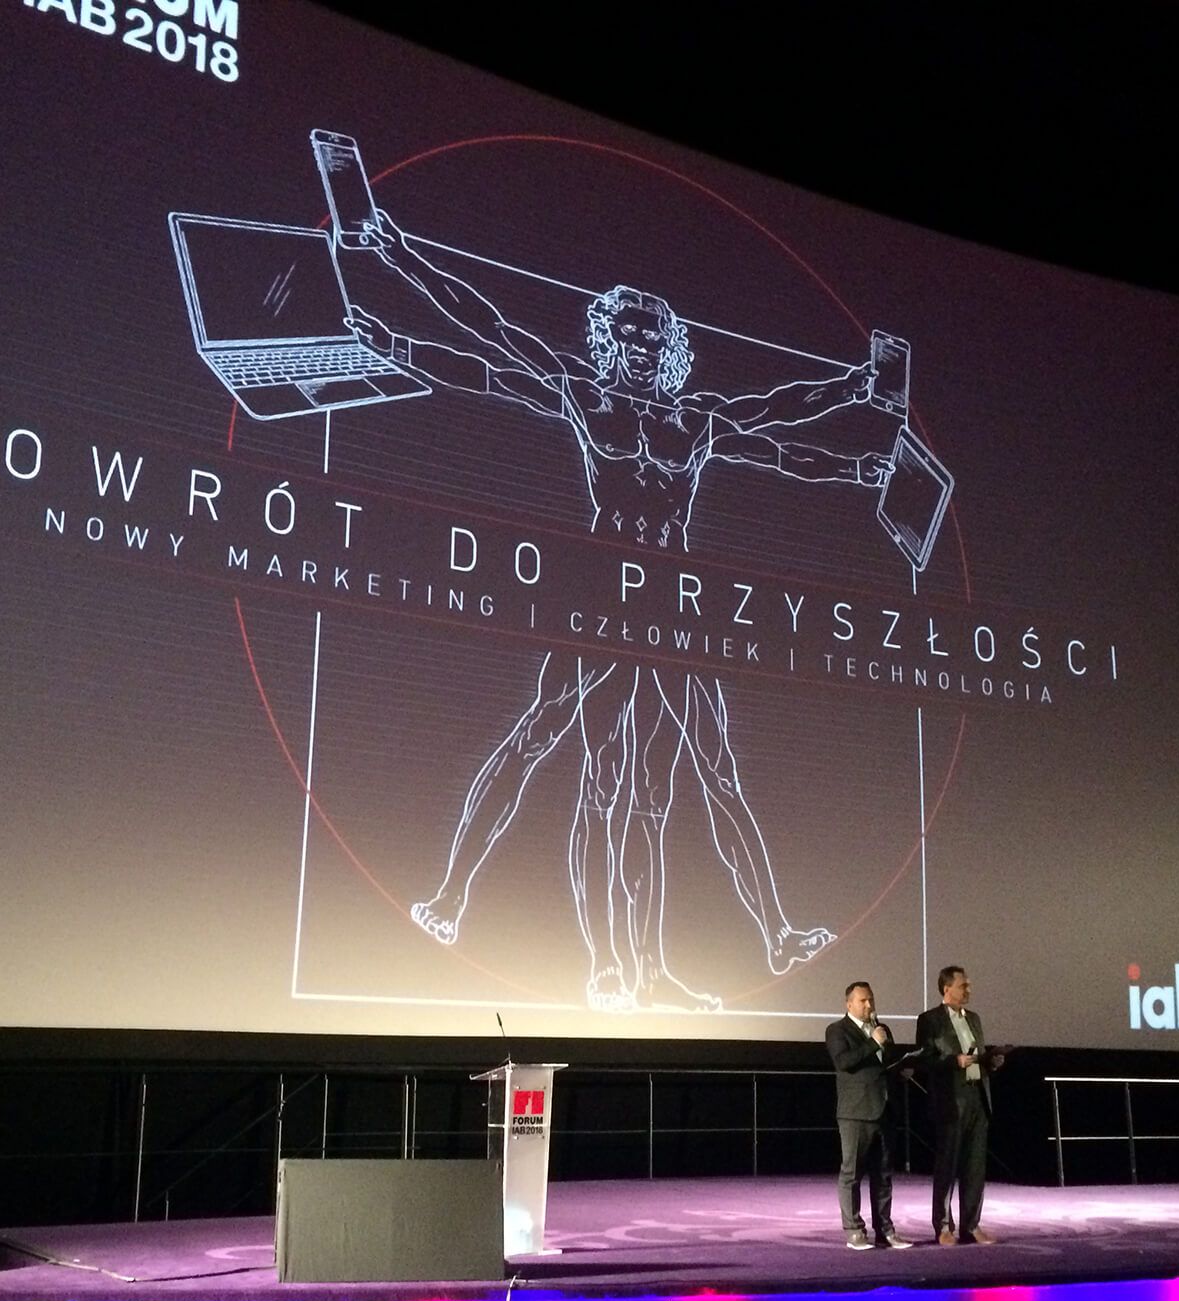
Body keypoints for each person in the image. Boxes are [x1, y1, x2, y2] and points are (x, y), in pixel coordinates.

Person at [350, 211, 898, 1010]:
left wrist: (856, 412)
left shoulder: (696, 420)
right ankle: (460, 900)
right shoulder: (584, 394)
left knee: (706, 775)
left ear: (668, 346)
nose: (641, 345)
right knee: (562, 753)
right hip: (601, 600)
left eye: (653, 335)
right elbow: (488, 343)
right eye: (629, 332)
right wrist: (397, 274)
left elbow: (781, 426)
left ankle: (771, 934)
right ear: (610, 337)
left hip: (675, 611)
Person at [913, 964, 1006, 1244]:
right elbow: (925, 1060)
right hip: (951, 1101)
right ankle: (943, 1227)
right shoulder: (930, 1020)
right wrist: (954, 1061)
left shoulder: (974, 1018)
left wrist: (991, 1062)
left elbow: (978, 1056)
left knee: (975, 1167)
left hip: (978, 1097)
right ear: (947, 989)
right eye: (963, 985)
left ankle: (971, 1225)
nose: (968, 989)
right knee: (947, 1165)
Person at [825, 981, 911, 1250]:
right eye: (863, 1001)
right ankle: (854, 1230)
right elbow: (844, 1062)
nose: (869, 1005)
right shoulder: (837, 1030)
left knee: (883, 1174)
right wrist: (873, 1042)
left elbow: (887, 1064)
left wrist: (901, 1069)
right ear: (849, 1004)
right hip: (856, 1112)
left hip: (885, 1109)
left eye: (871, 999)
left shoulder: (882, 1029)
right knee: (852, 1173)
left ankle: (885, 1230)